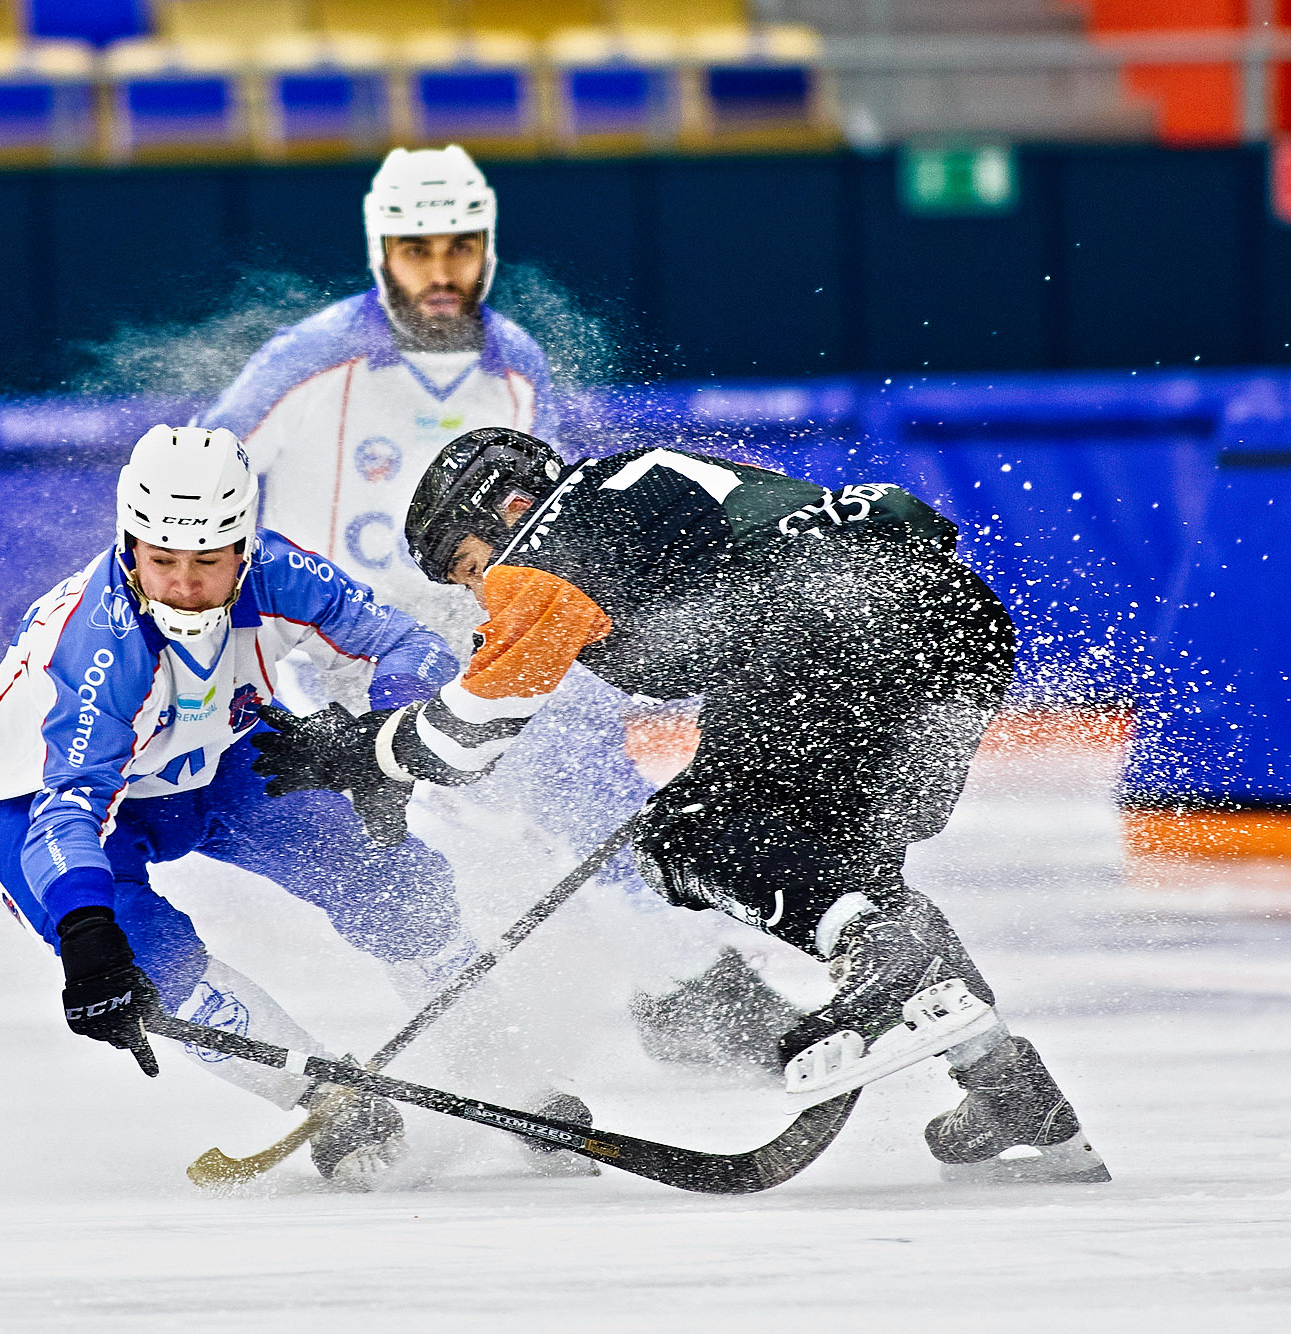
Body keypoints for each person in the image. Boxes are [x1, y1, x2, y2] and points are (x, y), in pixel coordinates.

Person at [254, 428, 1111, 1184]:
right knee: (845, 871)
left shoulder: (541, 549)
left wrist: (353, 751)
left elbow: (469, 736)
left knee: (685, 838)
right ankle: (1010, 1091)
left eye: (469, 565)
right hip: (946, 629)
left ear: (503, 509)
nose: (481, 591)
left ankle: (870, 953)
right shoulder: (638, 478)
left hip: (825, 635)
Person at [199, 144, 798, 1070]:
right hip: (335, 655)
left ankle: (685, 983)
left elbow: (552, 517)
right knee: (405, 851)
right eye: (416, 250)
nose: (441, 272)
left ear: (487, 246)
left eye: (460, 247)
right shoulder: (311, 360)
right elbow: (202, 475)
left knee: (595, 788)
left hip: (478, 629)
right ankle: (486, 1043)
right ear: (380, 252)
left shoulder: (515, 361)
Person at [0, 424, 589, 1187]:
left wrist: (381, 743)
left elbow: (408, 644)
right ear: (127, 547)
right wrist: (83, 932)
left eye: (209, 563)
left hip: (210, 755)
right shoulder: (100, 651)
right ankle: (329, 1099)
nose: (184, 585)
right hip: (33, 803)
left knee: (391, 881)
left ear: (243, 548)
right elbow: (67, 815)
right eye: (162, 562)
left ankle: (503, 1070)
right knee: (148, 956)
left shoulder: (281, 572)